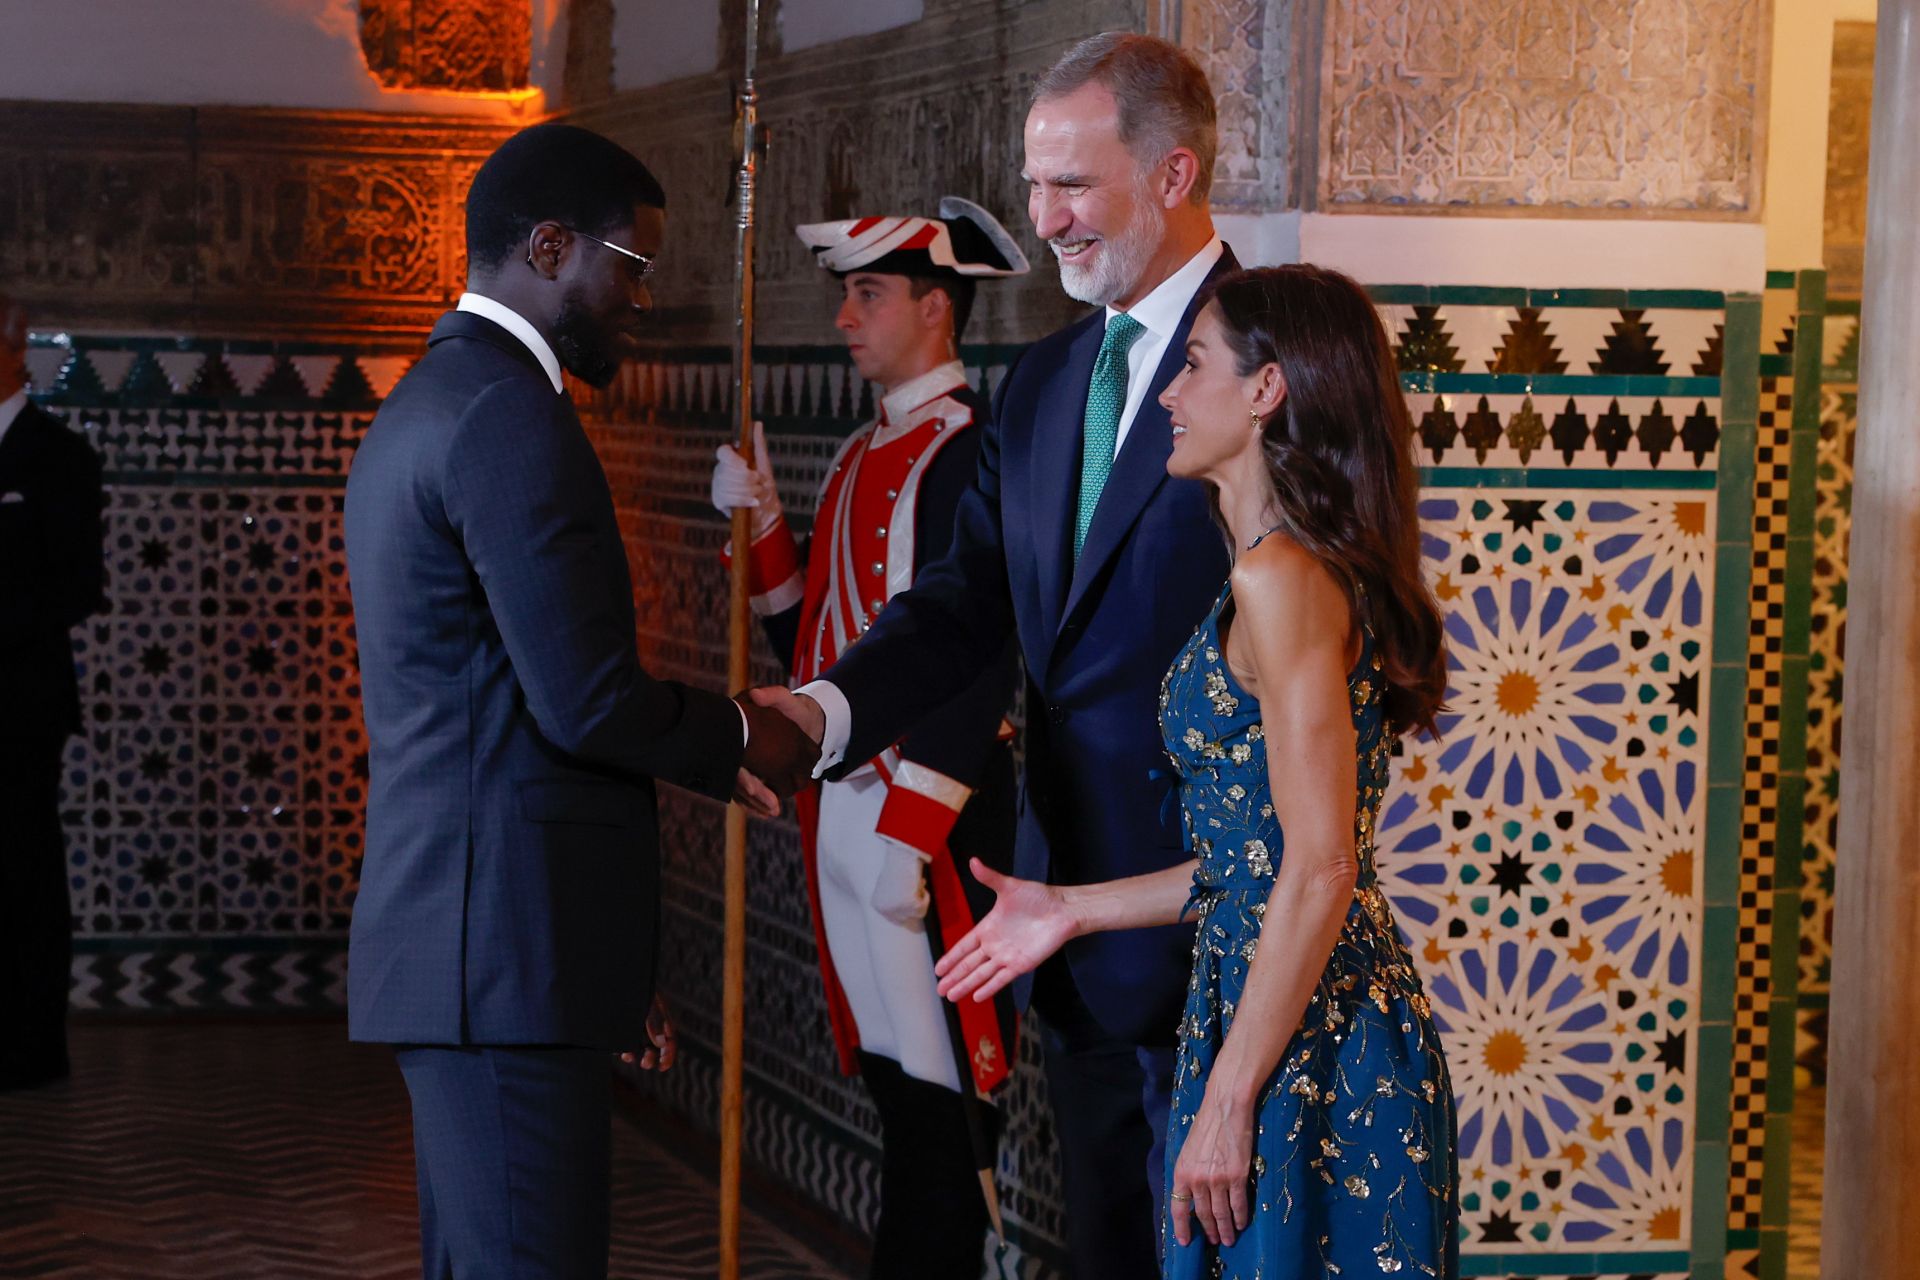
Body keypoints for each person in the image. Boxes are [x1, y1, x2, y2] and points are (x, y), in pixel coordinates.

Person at [749, 32, 1237, 1278]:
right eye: (1035, 184)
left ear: (1174, 175)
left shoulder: (1285, 355)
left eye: (1073, 184)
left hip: (1225, 920)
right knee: (1112, 1250)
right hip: (1062, 927)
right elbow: (966, 605)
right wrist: (820, 714)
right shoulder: (1045, 378)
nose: (1046, 217)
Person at [342, 123, 818, 1280]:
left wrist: (602, 970)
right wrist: (751, 732)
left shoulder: (435, 394)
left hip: (495, 952)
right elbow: (585, 700)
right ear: (551, 246)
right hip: (497, 954)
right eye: (632, 266)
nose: (641, 299)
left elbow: (509, 711)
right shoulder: (506, 412)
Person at [935, 265, 1460, 1278]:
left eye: (1194, 365)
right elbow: (1253, 860)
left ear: (1266, 391)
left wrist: (1226, 1096)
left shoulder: (1281, 577)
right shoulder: (1271, 565)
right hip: (1268, 1017)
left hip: (1310, 1039)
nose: (1168, 394)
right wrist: (1070, 907)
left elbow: (1320, 870)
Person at [711, 196, 1028, 1279]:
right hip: (843, 805)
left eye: (868, 294)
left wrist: (911, 823)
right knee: (898, 1089)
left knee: (946, 1111)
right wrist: (758, 524)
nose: (845, 317)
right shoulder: (863, 450)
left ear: (936, 309)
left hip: (921, 818)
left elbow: (975, 655)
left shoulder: (962, 454)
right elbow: (813, 638)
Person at [0, 291, 105, 1092]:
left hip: (19, 708)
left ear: (16, 345)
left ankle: (31, 1045)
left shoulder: (60, 457)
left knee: (25, 873)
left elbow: (76, 585)